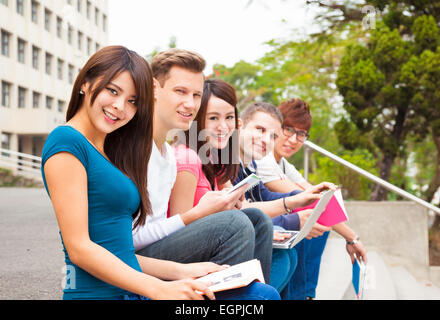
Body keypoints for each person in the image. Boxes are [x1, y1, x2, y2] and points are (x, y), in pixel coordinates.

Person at [41, 45, 278, 300]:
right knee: (258, 295)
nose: (120, 107)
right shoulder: (67, 141)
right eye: (112, 91)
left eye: (132, 101)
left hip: (132, 286)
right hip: (105, 293)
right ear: (85, 83)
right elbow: (79, 248)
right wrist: (160, 288)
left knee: (263, 293)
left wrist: (181, 270)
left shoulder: (108, 147)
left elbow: (120, 249)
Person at [132, 48, 280, 299]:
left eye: (196, 95)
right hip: (139, 262)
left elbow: (165, 226)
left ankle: (244, 291)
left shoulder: (167, 156)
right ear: (154, 89)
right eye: (180, 91)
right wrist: (200, 215)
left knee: (256, 221)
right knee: (235, 224)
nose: (190, 103)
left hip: (157, 247)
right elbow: (117, 245)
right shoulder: (138, 150)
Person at [168, 78, 297, 292]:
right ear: (197, 119)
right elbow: (178, 227)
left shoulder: (214, 160)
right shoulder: (187, 158)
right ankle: (247, 293)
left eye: (229, 117)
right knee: (241, 222)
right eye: (213, 118)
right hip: (178, 252)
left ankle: (251, 289)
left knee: (258, 220)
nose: (223, 126)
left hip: (214, 239)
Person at [254, 98, 368, 284]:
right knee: (311, 216)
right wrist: (352, 238)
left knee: (320, 222)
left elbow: (319, 195)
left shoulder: (282, 163)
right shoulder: (263, 160)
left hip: (275, 221)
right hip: (264, 221)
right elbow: (307, 199)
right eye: (288, 129)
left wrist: (350, 236)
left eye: (301, 134)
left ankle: (307, 294)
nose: (293, 139)